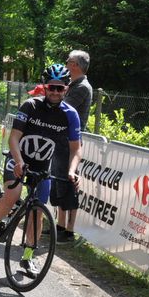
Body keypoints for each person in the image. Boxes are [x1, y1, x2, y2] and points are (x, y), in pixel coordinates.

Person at [0, 64, 81, 278]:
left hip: (42, 165)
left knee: (37, 211)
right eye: (51, 87)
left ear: (66, 89)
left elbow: (76, 148)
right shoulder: (31, 105)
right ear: (45, 87)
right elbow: (14, 137)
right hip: (19, 158)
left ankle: (28, 257)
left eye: (60, 88)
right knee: (13, 194)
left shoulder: (70, 115)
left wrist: (72, 171)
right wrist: (18, 161)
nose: (55, 92)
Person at [55, 49, 93, 241]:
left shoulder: (82, 87)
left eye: (68, 61)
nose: (65, 64)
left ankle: (69, 229)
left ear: (75, 66)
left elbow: (62, 106)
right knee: (59, 182)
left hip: (71, 141)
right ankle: (60, 225)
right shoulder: (73, 84)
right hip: (60, 140)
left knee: (69, 183)